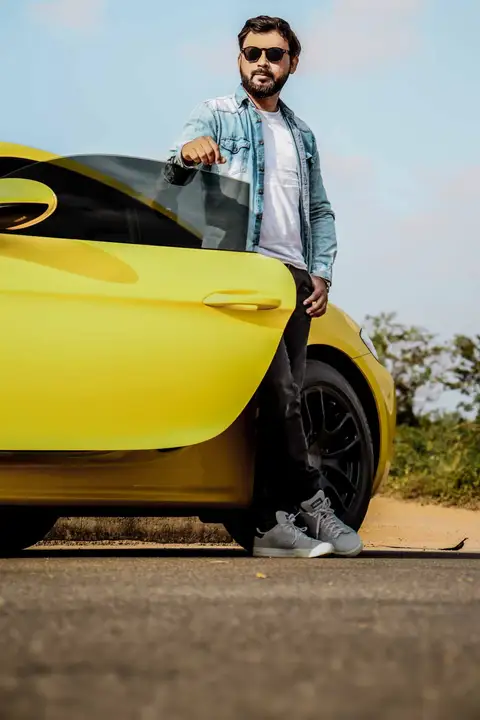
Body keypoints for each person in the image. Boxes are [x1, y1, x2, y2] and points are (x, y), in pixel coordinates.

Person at [166, 15, 363, 559]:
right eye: (252, 53)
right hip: (241, 275)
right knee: (279, 393)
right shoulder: (216, 115)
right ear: (239, 59)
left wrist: (320, 272)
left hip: (292, 280)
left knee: (283, 403)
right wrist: (189, 152)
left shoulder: (302, 135)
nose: (261, 63)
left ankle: (270, 525)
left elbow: (319, 210)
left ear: (291, 63)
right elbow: (173, 171)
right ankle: (309, 501)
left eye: (274, 55)